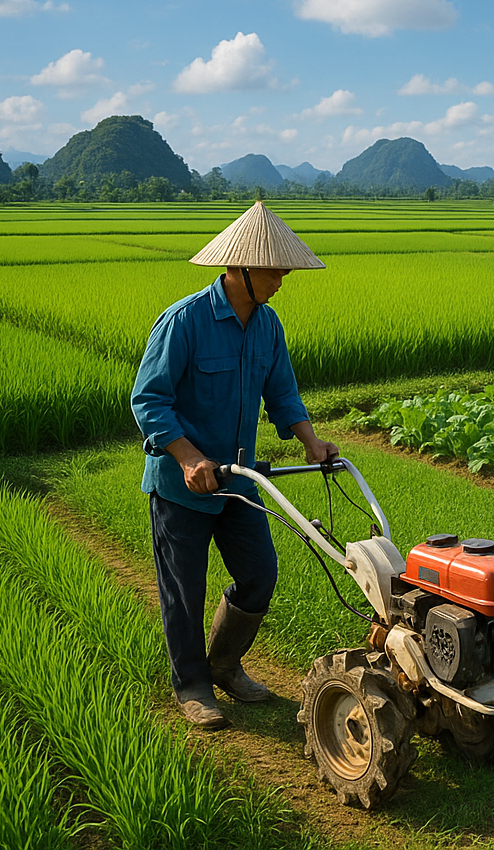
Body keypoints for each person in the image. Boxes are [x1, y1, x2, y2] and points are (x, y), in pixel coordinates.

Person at [131, 201, 339, 730]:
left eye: (286, 269)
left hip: (241, 480)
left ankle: (223, 663)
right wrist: (188, 456)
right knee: (185, 589)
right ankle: (193, 685)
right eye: (275, 269)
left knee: (259, 574)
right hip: (184, 486)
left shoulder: (268, 325)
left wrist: (311, 442)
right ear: (239, 268)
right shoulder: (186, 322)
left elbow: (283, 393)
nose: (283, 279)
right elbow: (148, 400)